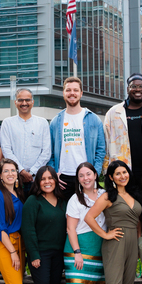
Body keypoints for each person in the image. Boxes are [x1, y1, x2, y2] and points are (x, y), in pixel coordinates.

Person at [84, 160, 141, 284]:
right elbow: (89, 217)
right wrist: (106, 234)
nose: (122, 176)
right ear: (111, 177)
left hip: (133, 244)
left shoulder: (134, 194)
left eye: (124, 172)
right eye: (117, 174)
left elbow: (138, 221)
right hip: (115, 244)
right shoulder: (109, 196)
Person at [21, 166, 68, 284]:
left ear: (55, 180)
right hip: (40, 254)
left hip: (58, 254)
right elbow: (28, 229)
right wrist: (33, 254)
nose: (47, 181)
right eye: (43, 178)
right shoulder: (33, 201)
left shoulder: (62, 200)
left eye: (50, 178)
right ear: (37, 181)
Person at [61, 162, 107, 284]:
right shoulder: (74, 199)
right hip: (78, 247)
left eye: (88, 174)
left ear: (95, 175)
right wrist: (77, 252)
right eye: (81, 175)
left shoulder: (104, 195)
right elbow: (70, 229)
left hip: (98, 246)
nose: (85, 178)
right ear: (78, 179)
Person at [49, 76, 107, 204]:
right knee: (64, 218)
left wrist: (94, 174)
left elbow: (101, 150)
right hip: (63, 179)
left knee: (87, 217)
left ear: (81, 93)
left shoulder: (93, 119)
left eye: (75, 90)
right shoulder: (55, 121)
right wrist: (54, 174)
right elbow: (50, 152)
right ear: (63, 93)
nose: (72, 93)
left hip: (86, 178)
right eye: (68, 90)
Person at [0, 88, 51, 196]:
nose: (24, 103)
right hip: (14, 179)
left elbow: (46, 152)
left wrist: (32, 172)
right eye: (20, 100)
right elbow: (6, 150)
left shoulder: (42, 123)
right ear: (15, 102)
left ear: (32, 102)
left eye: (27, 100)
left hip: (37, 179)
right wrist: (21, 171)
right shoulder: (7, 123)